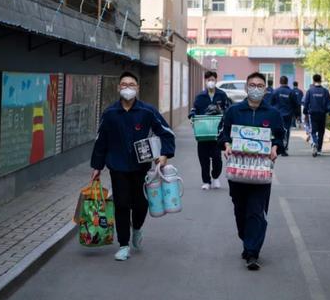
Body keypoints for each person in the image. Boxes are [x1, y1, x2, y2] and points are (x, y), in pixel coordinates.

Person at [91, 71, 176, 261]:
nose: (127, 88)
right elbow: (101, 140)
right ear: (118, 88)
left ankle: (137, 228)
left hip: (141, 168)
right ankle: (123, 245)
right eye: (124, 84)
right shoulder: (110, 113)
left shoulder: (147, 111)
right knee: (121, 205)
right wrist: (97, 166)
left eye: (131, 85)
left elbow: (167, 133)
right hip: (118, 166)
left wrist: (164, 155)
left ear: (138, 88)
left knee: (141, 204)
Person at [218, 72, 285, 271]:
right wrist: (227, 145)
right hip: (237, 171)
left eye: (260, 85)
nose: (256, 88)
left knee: (256, 211)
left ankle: (252, 252)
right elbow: (223, 134)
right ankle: (247, 239)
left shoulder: (273, 114)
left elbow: (280, 137)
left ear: (265, 89)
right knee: (241, 210)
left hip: (261, 172)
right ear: (247, 88)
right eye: (252, 85)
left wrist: (275, 147)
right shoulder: (234, 111)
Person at [189, 71, 231, 190]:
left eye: (212, 79)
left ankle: (216, 177)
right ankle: (206, 181)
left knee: (217, 157)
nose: (210, 82)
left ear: (216, 80)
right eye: (208, 80)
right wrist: (192, 117)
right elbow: (194, 110)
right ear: (205, 81)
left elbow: (227, 109)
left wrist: (224, 115)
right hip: (203, 131)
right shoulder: (200, 97)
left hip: (217, 132)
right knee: (203, 158)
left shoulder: (222, 95)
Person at [303, 74, 330, 157]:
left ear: (313, 81)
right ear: (321, 80)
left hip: (313, 114)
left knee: (313, 131)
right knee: (321, 132)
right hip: (322, 114)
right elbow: (328, 103)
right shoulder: (325, 91)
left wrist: (305, 113)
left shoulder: (310, 91)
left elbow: (306, 103)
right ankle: (319, 149)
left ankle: (315, 143)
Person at [271, 76, 295, 157]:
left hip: (277, 115)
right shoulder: (291, 92)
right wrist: (297, 115)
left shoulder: (275, 91)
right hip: (288, 115)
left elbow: (271, 103)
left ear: (279, 82)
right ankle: (284, 149)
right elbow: (295, 104)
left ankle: (276, 147)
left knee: (276, 131)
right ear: (287, 82)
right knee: (286, 131)